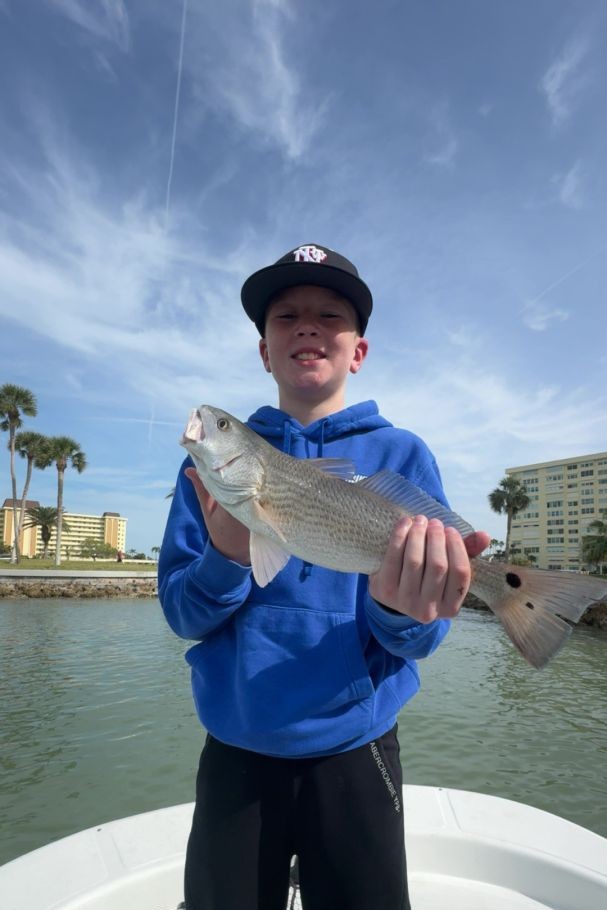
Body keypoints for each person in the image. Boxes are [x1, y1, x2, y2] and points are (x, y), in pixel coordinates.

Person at [158, 244, 490, 910]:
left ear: (357, 349)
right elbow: (183, 616)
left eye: (328, 314)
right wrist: (225, 552)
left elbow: (419, 639)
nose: (306, 326)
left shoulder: (401, 454)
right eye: (285, 316)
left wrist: (401, 611)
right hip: (236, 750)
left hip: (356, 749)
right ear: (263, 350)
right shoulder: (207, 479)